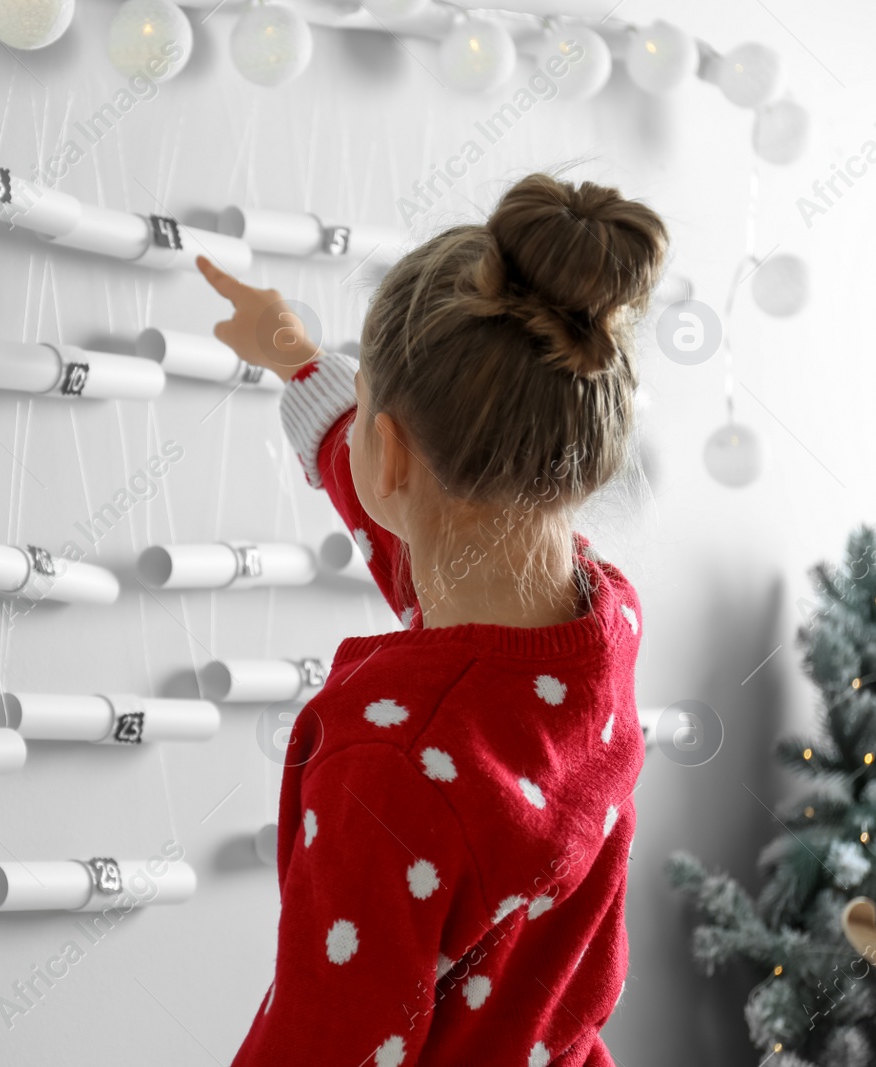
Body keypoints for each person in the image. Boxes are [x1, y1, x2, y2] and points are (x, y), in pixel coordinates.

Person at [199, 173, 665, 1066]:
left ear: (394, 452)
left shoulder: (393, 762)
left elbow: (326, 1046)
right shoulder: (599, 622)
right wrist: (301, 359)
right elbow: (416, 532)